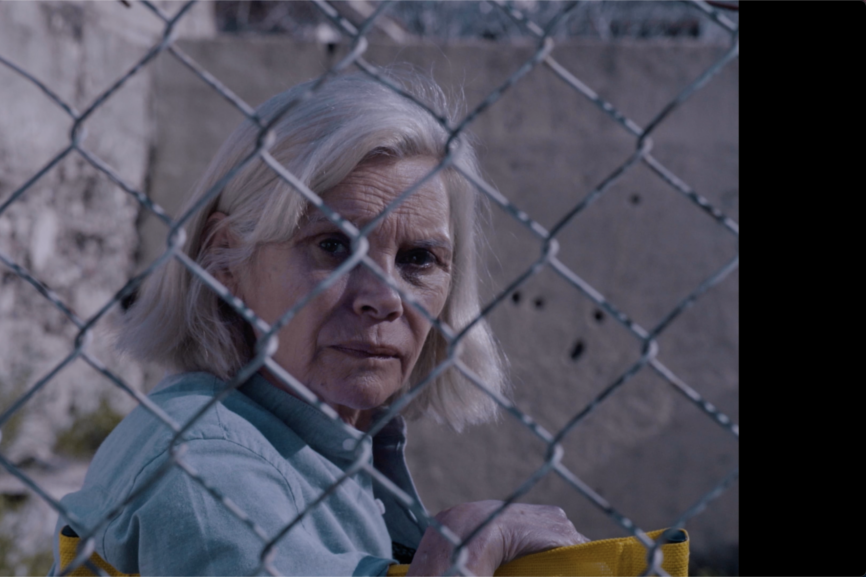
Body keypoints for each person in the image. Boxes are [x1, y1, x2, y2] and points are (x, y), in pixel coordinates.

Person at [52, 68, 586, 576]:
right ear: (225, 260)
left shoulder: (330, 446)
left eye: (419, 259)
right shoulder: (205, 465)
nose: (385, 298)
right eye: (334, 246)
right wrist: (469, 553)